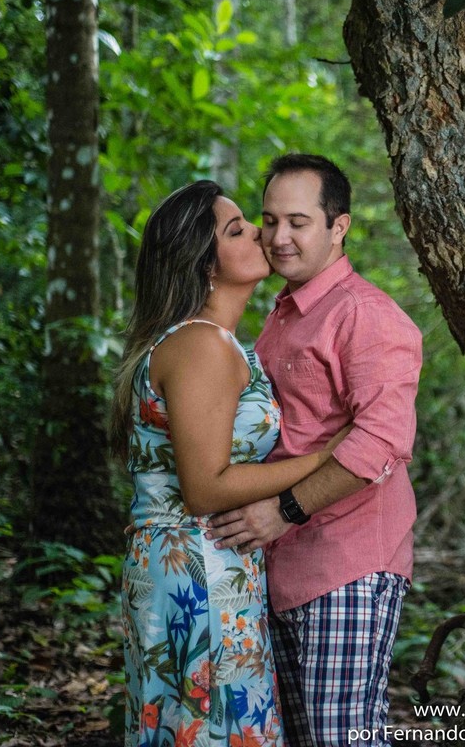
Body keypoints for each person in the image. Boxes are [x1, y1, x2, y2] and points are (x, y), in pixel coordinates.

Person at [111, 180, 345, 747]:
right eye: (238, 229)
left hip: (203, 563)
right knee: (211, 728)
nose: (263, 234)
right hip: (198, 566)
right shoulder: (201, 346)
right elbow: (207, 487)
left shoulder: (218, 342)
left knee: (196, 724)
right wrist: (327, 457)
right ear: (204, 264)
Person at [205, 154, 423, 747]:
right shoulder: (283, 314)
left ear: (339, 226)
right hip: (281, 565)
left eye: (298, 222)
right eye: (270, 220)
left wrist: (283, 512)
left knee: (342, 737)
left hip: (347, 560)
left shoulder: (366, 315)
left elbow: (381, 443)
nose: (278, 237)